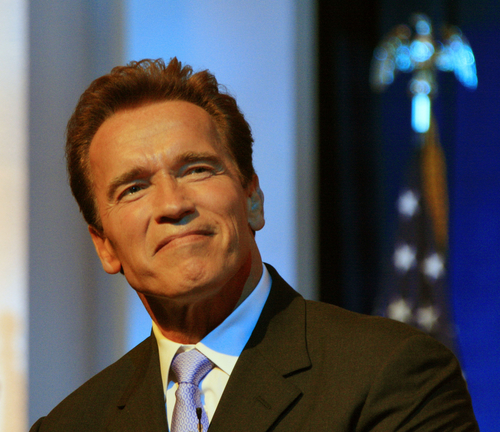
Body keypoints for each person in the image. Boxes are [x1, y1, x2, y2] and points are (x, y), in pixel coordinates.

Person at [30, 58, 479, 431]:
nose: (172, 204)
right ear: (104, 245)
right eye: (134, 188)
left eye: (196, 169)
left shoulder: (391, 374)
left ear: (253, 201)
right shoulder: (70, 425)